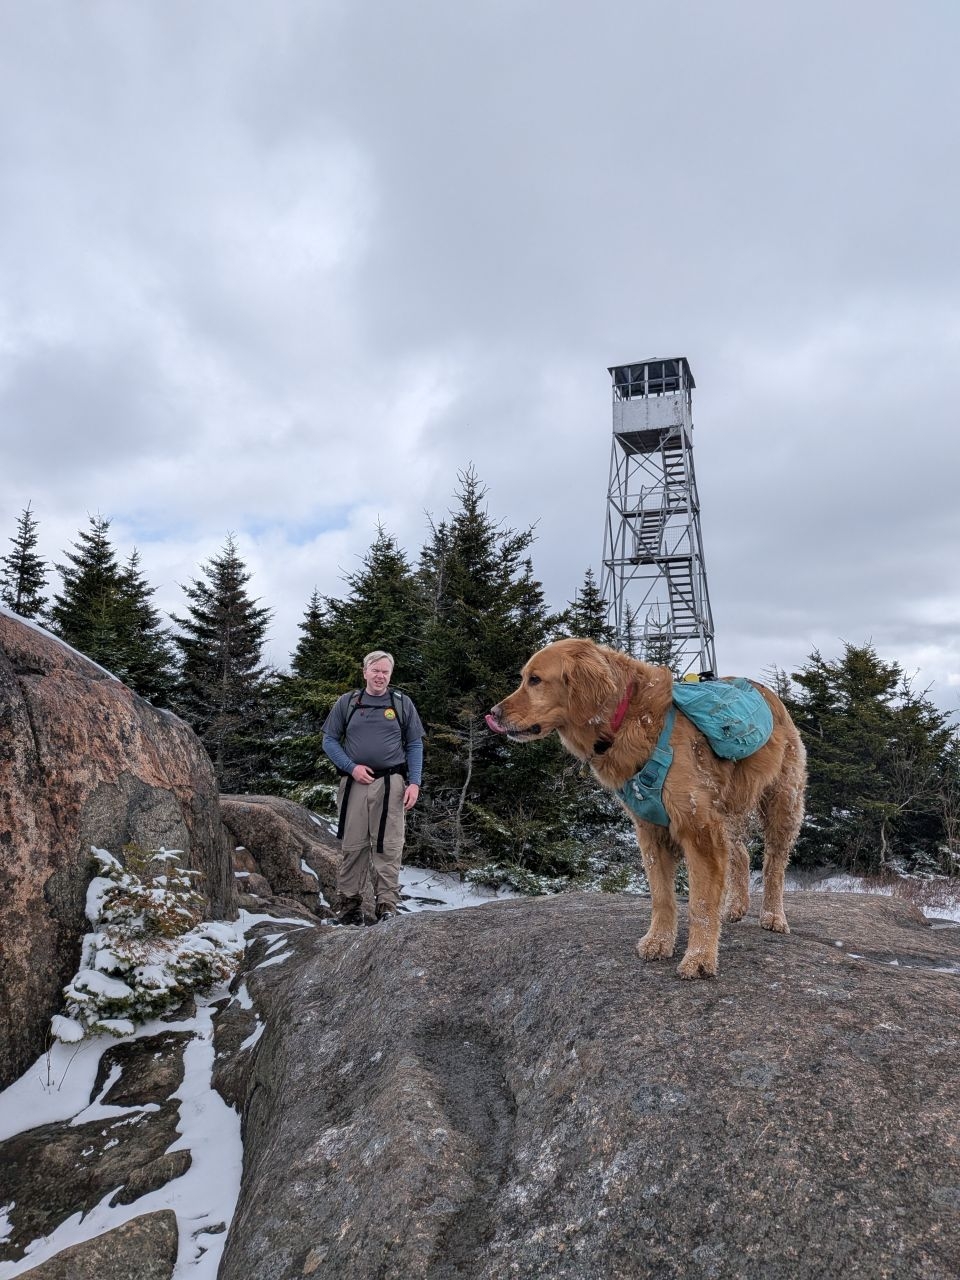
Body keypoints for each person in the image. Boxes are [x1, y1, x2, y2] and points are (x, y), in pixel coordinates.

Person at [322, 650, 424, 925]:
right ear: (365, 671)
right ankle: (349, 907)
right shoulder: (348, 703)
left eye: (385, 672)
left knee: (388, 846)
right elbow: (329, 740)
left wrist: (414, 782)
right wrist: (351, 766)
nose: (380, 676)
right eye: (375, 670)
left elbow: (415, 744)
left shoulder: (402, 703)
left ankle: (387, 906)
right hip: (355, 782)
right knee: (353, 846)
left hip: (392, 783)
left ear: (390, 675)